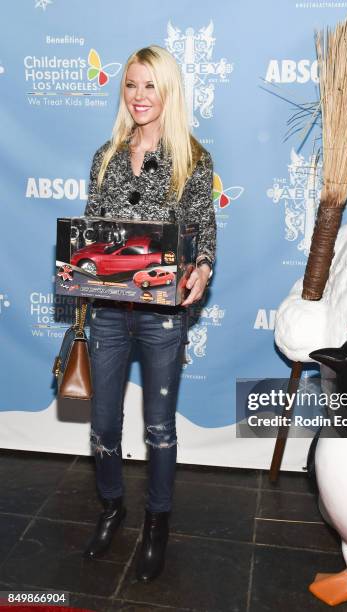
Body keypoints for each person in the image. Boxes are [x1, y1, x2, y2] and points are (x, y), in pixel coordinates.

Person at [81, 45, 215, 583]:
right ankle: (112, 507)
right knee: (102, 422)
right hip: (108, 312)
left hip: (162, 314)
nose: (139, 96)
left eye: (150, 86)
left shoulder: (194, 161)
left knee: (159, 427)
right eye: (131, 85)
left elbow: (205, 233)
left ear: (168, 92)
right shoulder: (105, 156)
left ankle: (156, 524)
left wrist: (202, 269)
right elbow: (91, 232)